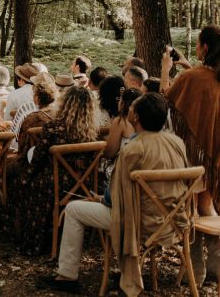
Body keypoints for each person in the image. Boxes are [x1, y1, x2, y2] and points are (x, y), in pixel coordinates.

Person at [37, 93, 189, 296]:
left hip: (137, 222)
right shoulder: (176, 142)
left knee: (73, 209)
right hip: (172, 221)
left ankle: (67, 276)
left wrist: (100, 198)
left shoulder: (133, 149)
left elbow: (113, 197)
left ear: (136, 117)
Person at [10, 86, 99, 256]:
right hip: (84, 186)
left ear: (65, 105)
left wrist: (25, 177)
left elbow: (36, 160)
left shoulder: (54, 128)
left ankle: (30, 238)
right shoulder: (91, 133)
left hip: (54, 186)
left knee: (20, 181)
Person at [163, 25, 220, 218]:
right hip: (215, 157)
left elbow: (166, 101)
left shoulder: (192, 77)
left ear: (205, 48)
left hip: (195, 155)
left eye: (197, 44)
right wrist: (188, 66)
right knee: (207, 205)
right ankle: (214, 249)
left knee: (192, 207)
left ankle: (194, 249)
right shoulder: (204, 76)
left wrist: (165, 70)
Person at [14, 74, 58, 159]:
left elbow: (21, 146)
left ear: (36, 98)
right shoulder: (61, 115)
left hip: (31, 162)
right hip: (56, 160)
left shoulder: (31, 119)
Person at [7, 63, 40, 139]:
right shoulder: (42, 93)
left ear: (21, 79)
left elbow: (8, 120)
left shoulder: (14, 94)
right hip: (39, 137)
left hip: (18, 137)